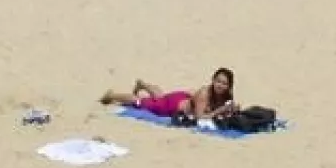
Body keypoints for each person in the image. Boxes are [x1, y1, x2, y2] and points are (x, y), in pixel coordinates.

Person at [101, 67, 237, 123]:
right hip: (172, 107)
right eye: (218, 81)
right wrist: (221, 110)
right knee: (141, 102)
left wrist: (231, 109)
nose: (220, 85)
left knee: (160, 96)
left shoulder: (226, 95)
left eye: (224, 83)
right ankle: (112, 95)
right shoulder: (204, 94)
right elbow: (199, 118)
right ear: (212, 80)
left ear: (229, 86)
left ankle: (143, 85)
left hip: (182, 98)